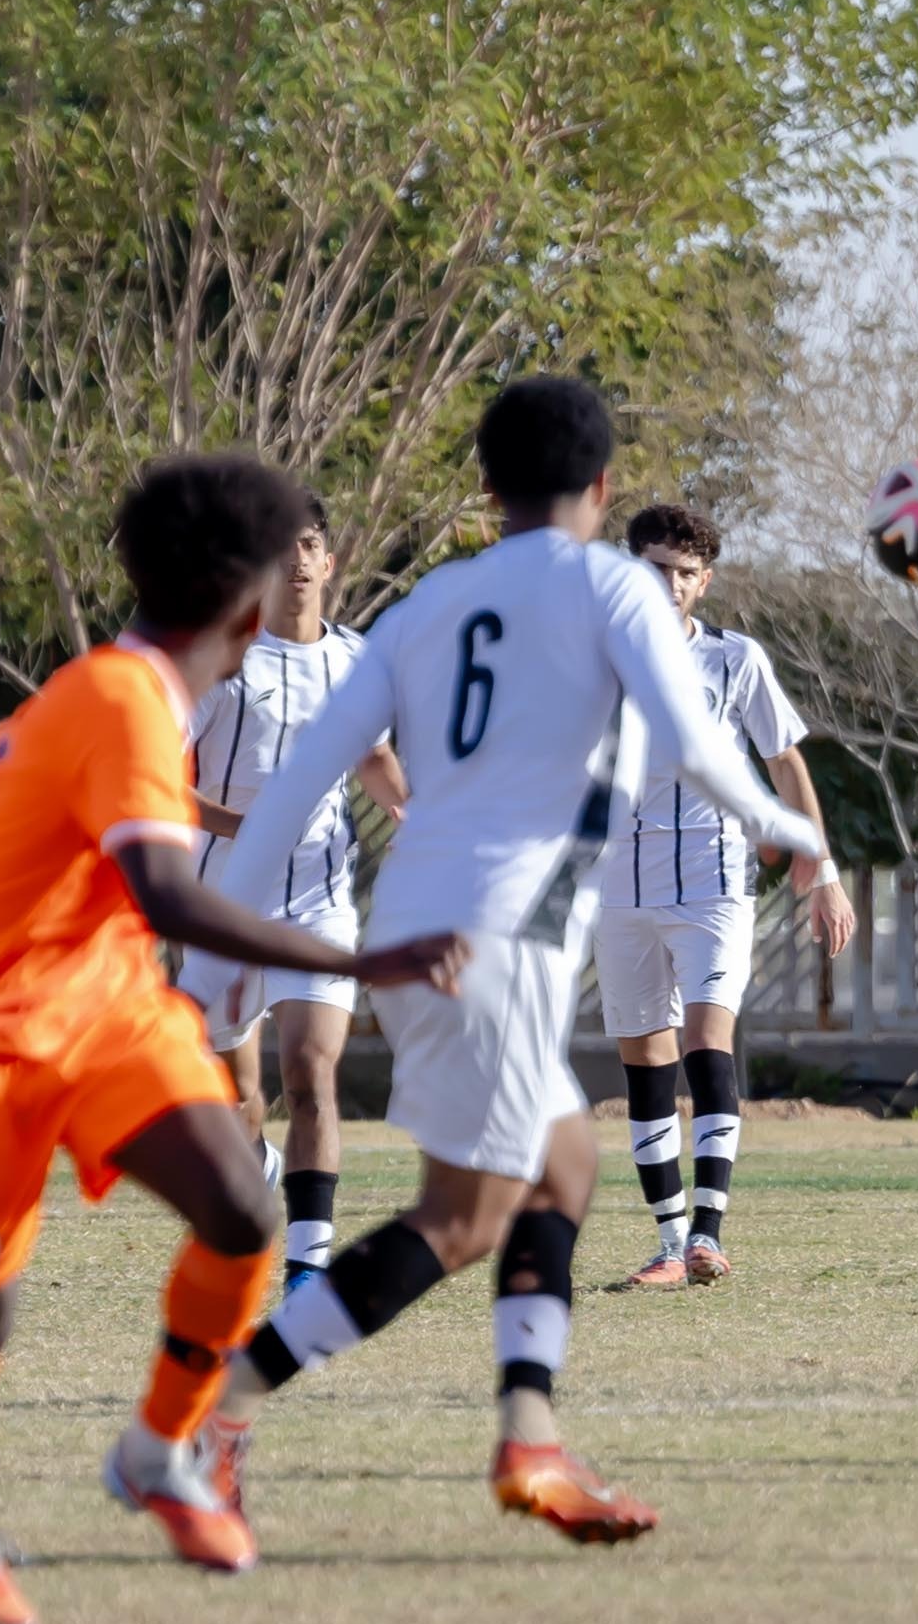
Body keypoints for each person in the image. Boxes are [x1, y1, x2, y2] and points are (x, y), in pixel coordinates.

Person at [177, 379, 825, 1544]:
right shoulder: (613, 588)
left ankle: (524, 1432)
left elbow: (303, 776)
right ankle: (220, 1414)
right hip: (501, 943)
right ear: (603, 488)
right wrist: (798, 835)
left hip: (411, 930)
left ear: (485, 488)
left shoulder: (428, 603)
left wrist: (226, 938)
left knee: (555, 1166)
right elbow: (697, 742)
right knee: (462, 1216)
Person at [0, 456, 466, 1624]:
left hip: (98, 1005)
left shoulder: (116, 684)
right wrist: (361, 961)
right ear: (245, 601)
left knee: (243, 1209)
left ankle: (157, 1450)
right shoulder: (125, 698)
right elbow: (168, 892)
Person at [597, 503, 855, 1291]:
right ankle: (670, 1244)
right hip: (618, 885)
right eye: (655, 568)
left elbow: (784, 762)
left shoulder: (734, 659)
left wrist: (823, 869)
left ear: (704, 583)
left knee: (708, 1039)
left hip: (713, 881)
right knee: (646, 1061)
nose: (670, 584)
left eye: (685, 573)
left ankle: (707, 1234)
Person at [186, 492, 409, 1286]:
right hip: (222, 905)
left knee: (312, 1076)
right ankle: (254, 1158)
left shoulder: (356, 662)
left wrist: (410, 811)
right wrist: (243, 826)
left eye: (309, 544)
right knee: (233, 1101)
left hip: (320, 900)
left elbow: (371, 755)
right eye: (282, 546)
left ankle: (307, 1270)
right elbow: (156, 779)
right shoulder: (221, 658)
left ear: (329, 560)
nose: (297, 560)